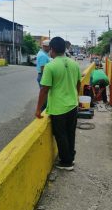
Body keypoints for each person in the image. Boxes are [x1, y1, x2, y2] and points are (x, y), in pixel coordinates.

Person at [35, 37, 81, 171]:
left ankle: (66, 163)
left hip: (59, 108)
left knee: (61, 135)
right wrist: (75, 97)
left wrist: (38, 110)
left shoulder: (50, 66)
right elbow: (78, 83)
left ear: (52, 50)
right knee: (70, 133)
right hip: (73, 105)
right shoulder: (74, 64)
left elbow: (44, 90)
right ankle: (70, 156)